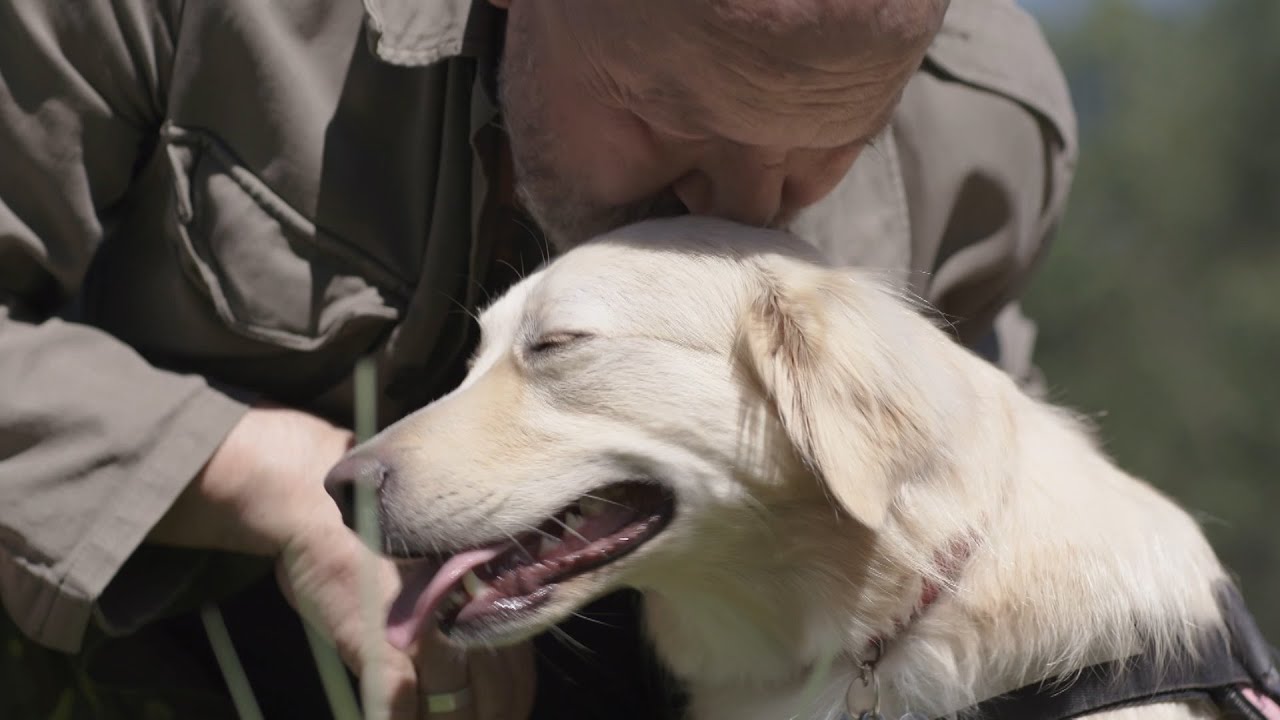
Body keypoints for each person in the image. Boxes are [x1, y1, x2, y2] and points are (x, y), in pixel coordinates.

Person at [0, 0, 1076, 718]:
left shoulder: (978, 128)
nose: (744, 215)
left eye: (825, 150)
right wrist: (253, 475)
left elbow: (982, 519)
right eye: (668, 120)